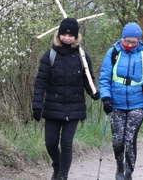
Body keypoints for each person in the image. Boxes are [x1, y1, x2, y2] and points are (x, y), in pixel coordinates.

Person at [32, 17, 100, 180]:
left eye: (71, 36)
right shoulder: (49, 56)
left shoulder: (83, 57)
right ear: (58, 35)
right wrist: (37, 106)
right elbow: (40, 83)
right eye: (64, 35)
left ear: (76, 37)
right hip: (52, 107)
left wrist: (95, 93)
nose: (67, 38)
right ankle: (57, 165)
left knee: (67, 143)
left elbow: (88, 80)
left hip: (74, 107)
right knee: (50, 142)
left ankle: (62, 176)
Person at [98, 22, 143, 180]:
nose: (131, 45)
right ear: (122, 38)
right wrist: (105, 98)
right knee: (118, 139)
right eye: (128, 41)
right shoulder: (113, 53)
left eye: (134, 42)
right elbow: (104, 78)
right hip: (116, 103)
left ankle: (128, 171)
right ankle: (120, 164)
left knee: (129, 137)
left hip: (137, 103)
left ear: (139, 40)